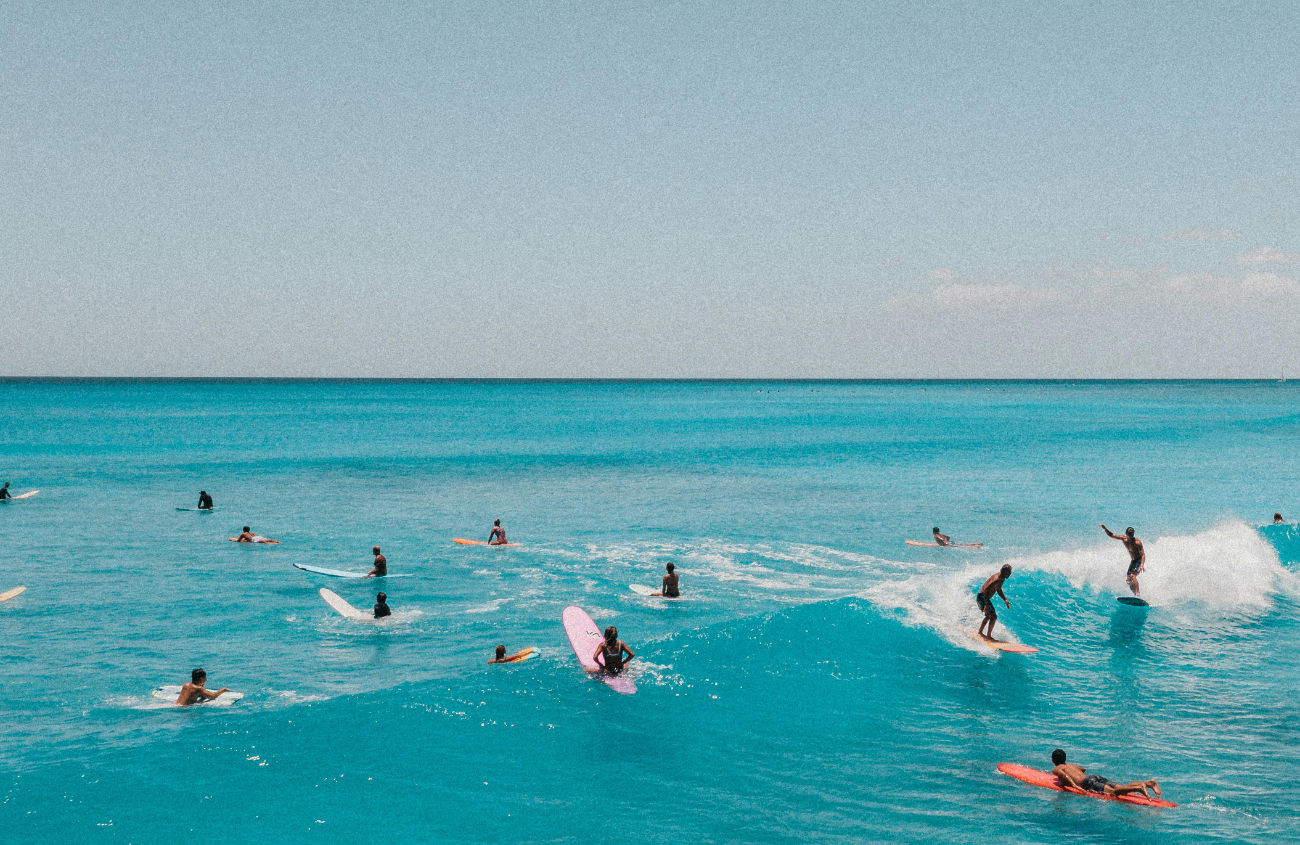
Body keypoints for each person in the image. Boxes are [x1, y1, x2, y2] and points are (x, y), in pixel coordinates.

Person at [1050, 749, 1161, 800]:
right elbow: (1083, 769)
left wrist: (1074, 785)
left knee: (1113, 793)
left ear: (1053, 760)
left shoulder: (1057, 768)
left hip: (1087, 783)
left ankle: (1138, 788)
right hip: (1093, 777)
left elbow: (1064, 775)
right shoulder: (1070, 765)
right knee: (1121, 787)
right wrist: (1077, 774)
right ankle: (1148, 783)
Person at [1100, 524, 1145, 596]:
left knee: (1133, 575)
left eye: (1132, 533)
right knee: (1128, 580)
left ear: (1133, 533)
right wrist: (1105, 528)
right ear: (1126, 533)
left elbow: (1142, 555)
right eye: (1129, 533)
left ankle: (1137, 593)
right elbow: (1111, 535)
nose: (1131, 535)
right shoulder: (1123, 539)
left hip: (1138, 560)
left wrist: (1142, 565)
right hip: (1133, 561)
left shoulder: (1137, 542)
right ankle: (1135, 594)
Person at [976, 564, 1012, 639]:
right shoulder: (997, 579)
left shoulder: (1001, 577)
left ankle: (980, 632)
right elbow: (985, 590)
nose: (1010, 574)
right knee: (993, 616)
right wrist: (986, 605)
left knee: (989, 615)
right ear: (1005, 573)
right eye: (1009, 572)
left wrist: (1005, 599)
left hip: (983, 597)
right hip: (982, 597)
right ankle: (988, 636)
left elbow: (998, 589)